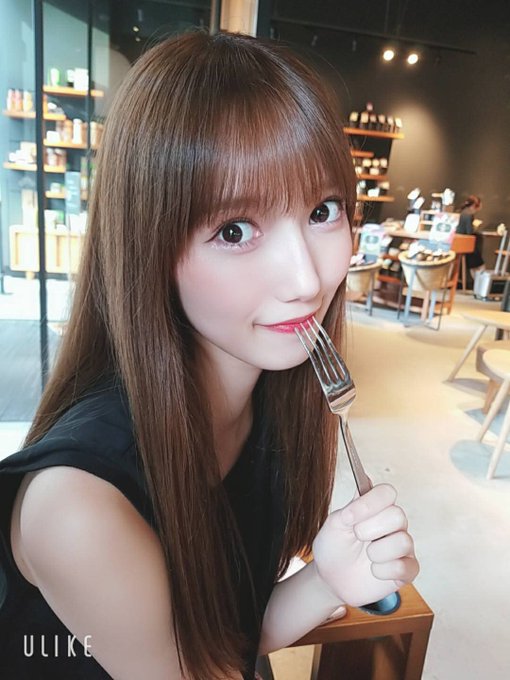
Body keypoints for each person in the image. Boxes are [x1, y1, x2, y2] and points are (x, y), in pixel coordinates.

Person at [0, 31, 419, 680]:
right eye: (235, 229)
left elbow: (223, 642)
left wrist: (327, 580)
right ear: (148, 245)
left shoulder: (274, 396)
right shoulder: (77, 507)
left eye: (323, 210)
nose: (305, 279)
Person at [456, 195, 485, 281]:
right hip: (466, 244)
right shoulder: (469, 215)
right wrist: (475, 226)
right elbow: (469, 232)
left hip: (459, 242)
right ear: (475, 205)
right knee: (479, 264)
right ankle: (479, 284)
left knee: (473, 265)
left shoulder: (463, 212)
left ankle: (476, 283)